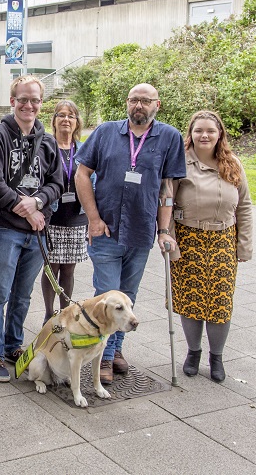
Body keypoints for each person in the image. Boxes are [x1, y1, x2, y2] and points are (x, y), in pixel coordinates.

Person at [74, 83, 186, 385]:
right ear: (127, 103)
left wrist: (163, 229)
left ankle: (116, 348)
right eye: (134, 100)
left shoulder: (170, 138)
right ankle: (105, 359)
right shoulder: (106, 132)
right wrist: (93, 219)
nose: (139, 105)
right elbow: (81, 173)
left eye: (146, 101)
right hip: (106, 230)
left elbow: (167, 187)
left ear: (157, 105)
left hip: (141, 230)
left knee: (129, 297)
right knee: (109, 296)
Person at [0, 75, 64, 382]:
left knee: (23, 295)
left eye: (35, 100)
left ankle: (14, 345)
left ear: (41, 103)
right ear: (12, 101)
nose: (29, 105)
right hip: (7, 229)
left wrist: (38, 202)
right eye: (23, 99)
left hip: (36, 231)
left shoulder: (49, 141)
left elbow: (57, 183)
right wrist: (26, 210)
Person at [170, 110, 253, 382]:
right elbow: (166, 203)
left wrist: (244, 245)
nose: (204, 135)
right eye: (198, 131)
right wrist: (169, 239)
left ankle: (216, 357)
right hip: (188, 239)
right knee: (191, 301)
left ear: (220, 135)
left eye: (210, 131)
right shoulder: (179, 163)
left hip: (223, 241)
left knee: (220, 303)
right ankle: (193, 352)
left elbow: (245, 206)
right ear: (190, 134)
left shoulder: (233, 164)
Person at [40, 100, 88, 324]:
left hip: (76, 217)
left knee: (68, 269)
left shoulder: (83, 150)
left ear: (77, 122)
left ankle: (65, 313)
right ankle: (49, 315)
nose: (66, 119)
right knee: (51, 268)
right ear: (54, 120)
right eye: (61, 115)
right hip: (52, 217)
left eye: (71, 116)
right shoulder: (46, 147)